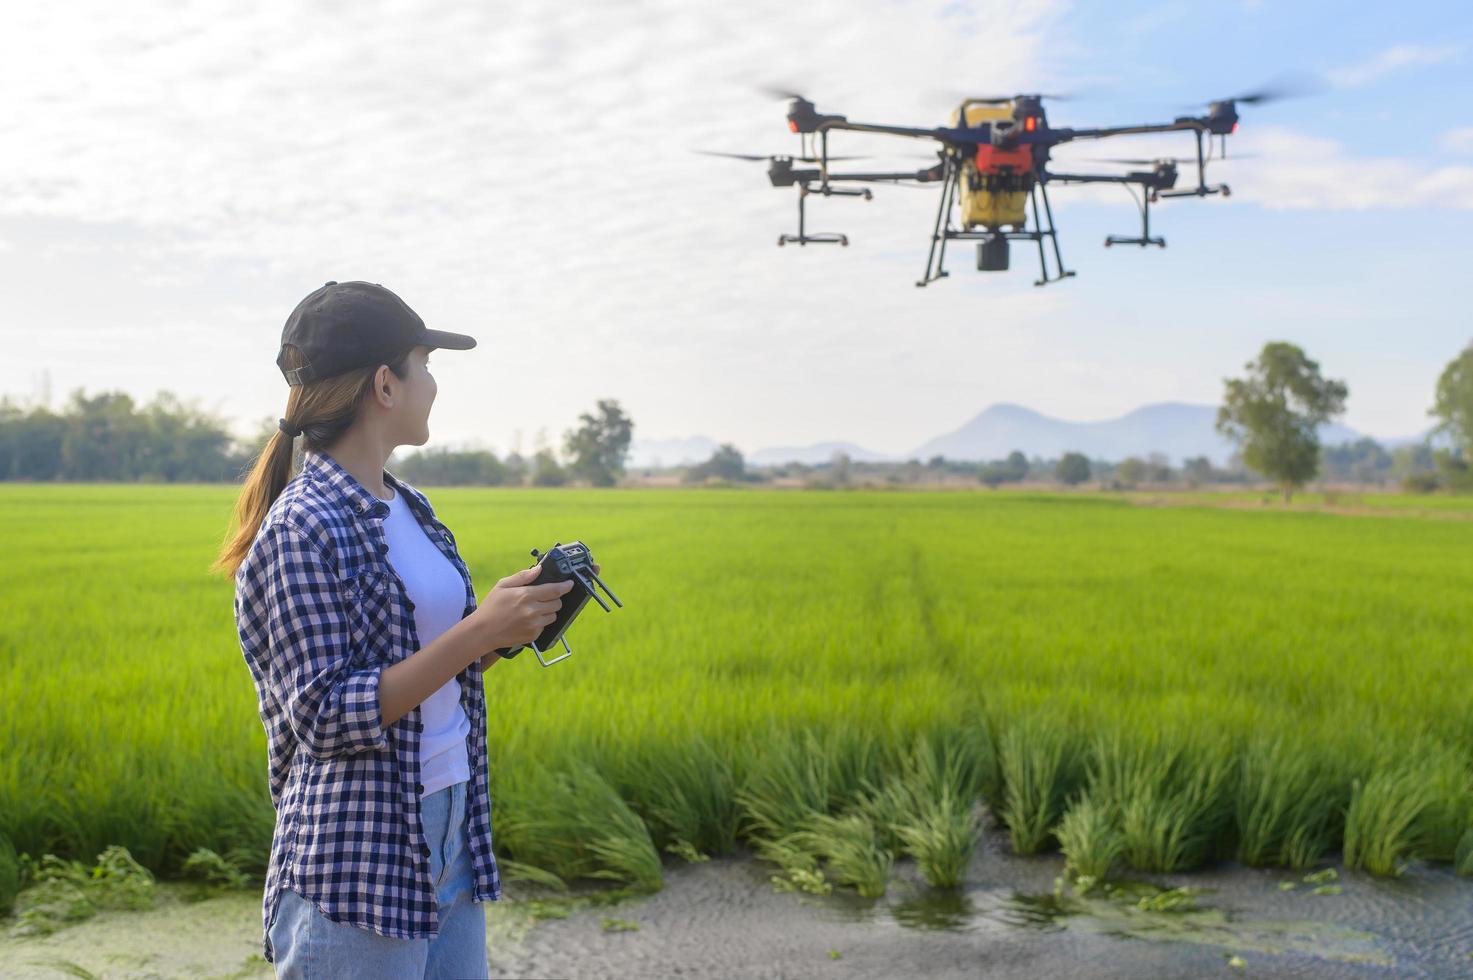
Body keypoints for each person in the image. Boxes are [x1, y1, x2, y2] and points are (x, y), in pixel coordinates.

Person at [212, 281, 591, 978]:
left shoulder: (409, 506)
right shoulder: (300, 528)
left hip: (448, 826)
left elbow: (418, 671)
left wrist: (498, 629)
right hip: (357, 854)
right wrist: (474, 634)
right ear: (386, 384)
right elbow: (325, 715)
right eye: (425, 364)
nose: (434, 384)